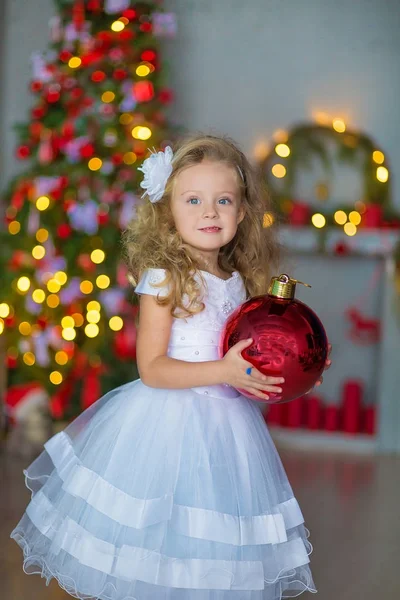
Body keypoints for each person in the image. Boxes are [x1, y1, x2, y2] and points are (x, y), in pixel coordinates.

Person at [11, 134, 331, 599]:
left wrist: (299, 366)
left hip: (228, 434)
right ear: (169, 211)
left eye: (223, 200)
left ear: (242, 213)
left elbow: (252, 356)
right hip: (166, 428)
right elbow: (153, 368)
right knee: (158, 547)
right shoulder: (165, 278)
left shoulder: (241, 283)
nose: (209, 212)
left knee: (208, 556)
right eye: (193, 199)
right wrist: (222, 371)